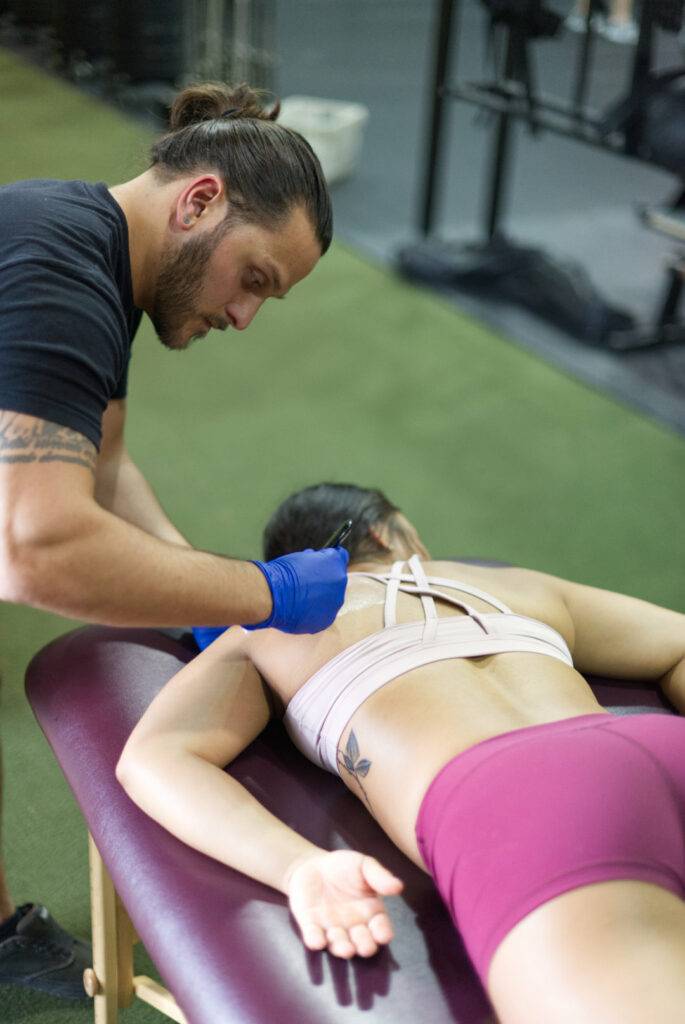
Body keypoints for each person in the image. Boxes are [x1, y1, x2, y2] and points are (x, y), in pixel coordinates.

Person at [0, 85, 348, 998]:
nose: (244, 317)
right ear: (199, 202)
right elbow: (35, 546)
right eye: (255, 280)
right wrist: (261, 593)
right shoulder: (58, 266)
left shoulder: (90, 248)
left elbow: (103, 466)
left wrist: (204, 598)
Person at [117, 481, 685, 1023]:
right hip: (653, 749)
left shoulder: (270, 629)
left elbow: (154, 755)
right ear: (389, 534)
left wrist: (298, 866)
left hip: (511, 801)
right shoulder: (520, 585)